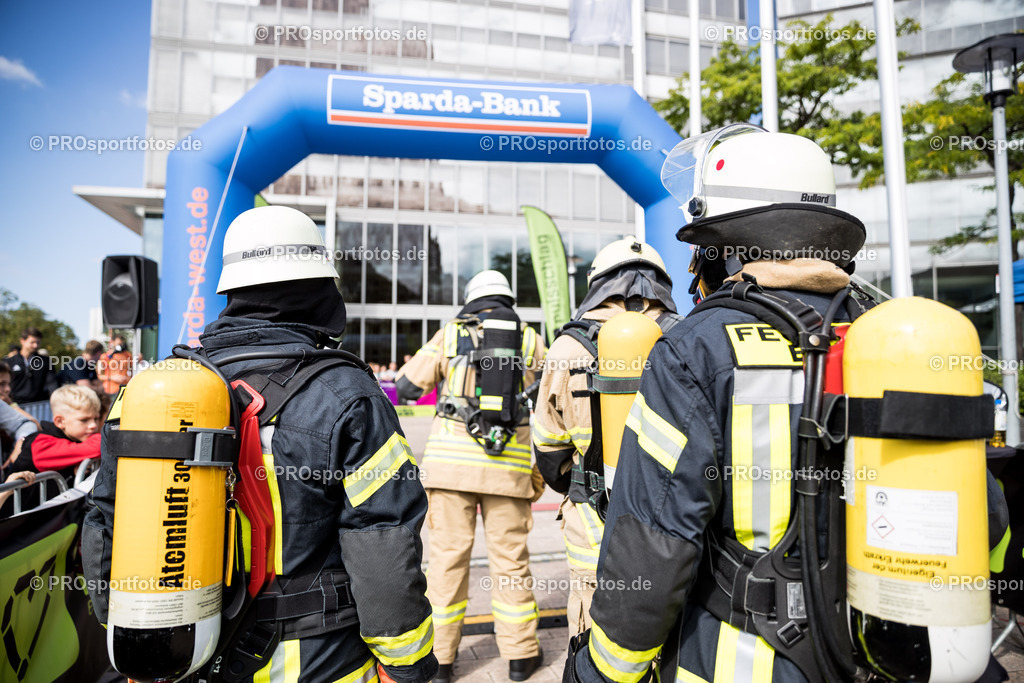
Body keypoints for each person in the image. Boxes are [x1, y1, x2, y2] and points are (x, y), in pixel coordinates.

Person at [564, 127, 879, 683]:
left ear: (731, 247)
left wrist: (597, 672)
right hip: (881, 654)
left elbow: (653, 548)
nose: (697, 271)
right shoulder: (893, 336)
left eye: (703, 249)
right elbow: (986, 518)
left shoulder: (696, 349)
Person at [83, 205, 438, 683]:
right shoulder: (347, 395)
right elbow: (382, 537)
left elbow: (104, 518)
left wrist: (137, 640)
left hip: (182, 658)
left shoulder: (151, 393)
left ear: (233, 291)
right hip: (317, 662)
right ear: (318, 289)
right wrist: (407, 664)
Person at [396, 270, 547, 683]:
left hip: (451, 470)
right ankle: (521, 657)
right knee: (511, 563)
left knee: (447, 563)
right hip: (509, 470)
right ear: (508, 300)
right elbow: (551, 389)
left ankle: (442, 661)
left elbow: (407, 386)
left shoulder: (450, 334)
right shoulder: (530, 339)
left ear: (471, 300)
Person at [531, 237, 679, 641]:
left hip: (596, 526)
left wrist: (587, 482)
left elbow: (549, 450)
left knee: (596, 632)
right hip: (676, 524)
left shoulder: (566, 348)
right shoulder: (688, 337)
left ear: (597, 284)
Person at [2, 384, 101, 512]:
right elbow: (97, 446)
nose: (93, 425)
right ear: (60, 421)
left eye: (96, 418)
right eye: (84, 420)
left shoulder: (73, 439)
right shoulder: (42, 444)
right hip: (17, 518)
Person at [7, 327, 57, 404]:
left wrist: (55, 400)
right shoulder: (9, 362)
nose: (35, 345)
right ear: (22, 341)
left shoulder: (46, 362)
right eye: (32, 342)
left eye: (38, 343)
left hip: (38, 405)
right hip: (15, 405)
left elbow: (52, 384)